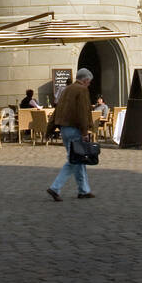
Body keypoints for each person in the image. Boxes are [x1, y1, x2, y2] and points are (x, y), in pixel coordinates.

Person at [46, 68, 96, 201]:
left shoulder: (66, 89)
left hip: (64, 128)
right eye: (89, 82)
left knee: (79, 160)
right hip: (75, 129)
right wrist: (85, 132)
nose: (89, 84)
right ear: (85, 80)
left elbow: (58, 110)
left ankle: (84, 190)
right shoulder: (82, 90)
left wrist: (50, 128)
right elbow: (83, 112)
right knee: (74, 160)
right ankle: (55, 187)